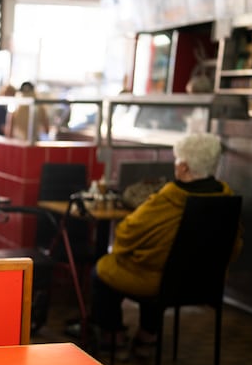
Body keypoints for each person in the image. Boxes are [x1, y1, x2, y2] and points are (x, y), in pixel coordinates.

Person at [89, 133, 242, 353]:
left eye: (177, 161)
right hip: (204, 282)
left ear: (184, 168)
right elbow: (234, 248)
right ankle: (148, 336)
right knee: (164, 265)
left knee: (104, 270)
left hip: (159, 282)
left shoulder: (168, 199)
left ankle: (114, 336)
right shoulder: (227, 202)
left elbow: (124, 235)